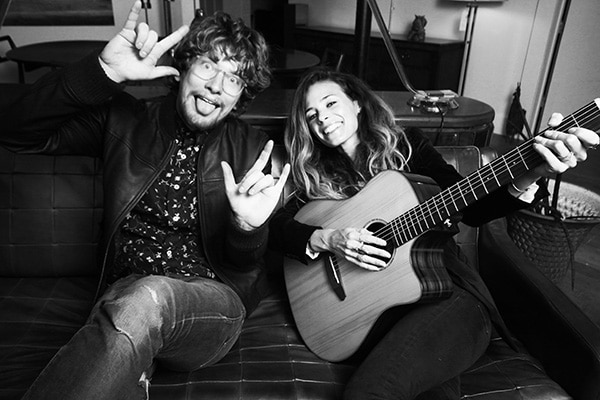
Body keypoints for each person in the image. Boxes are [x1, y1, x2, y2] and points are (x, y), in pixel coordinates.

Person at [0, 1, 289, 399]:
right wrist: (102, 73)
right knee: (132, 313)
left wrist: (246, 227)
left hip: (211, 305)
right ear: (184, 68)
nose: (216, 85)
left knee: (145, 299)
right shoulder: (125, 120)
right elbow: (15, 132)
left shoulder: (251, 149)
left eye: (234, 78)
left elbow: (243, 265)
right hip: (124, 299)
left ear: (240, 96)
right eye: (208, 65)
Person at [268, 67, 599, 400]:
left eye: (330, 103)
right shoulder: (314, 175)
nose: (323, 118)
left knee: (369, 392)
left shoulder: (407, 146)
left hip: (449, 296)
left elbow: (471, 207)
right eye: (312, 115)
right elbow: (278, 228)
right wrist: (330, 239)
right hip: (377, 317)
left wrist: (529, 174)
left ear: (356, 103)